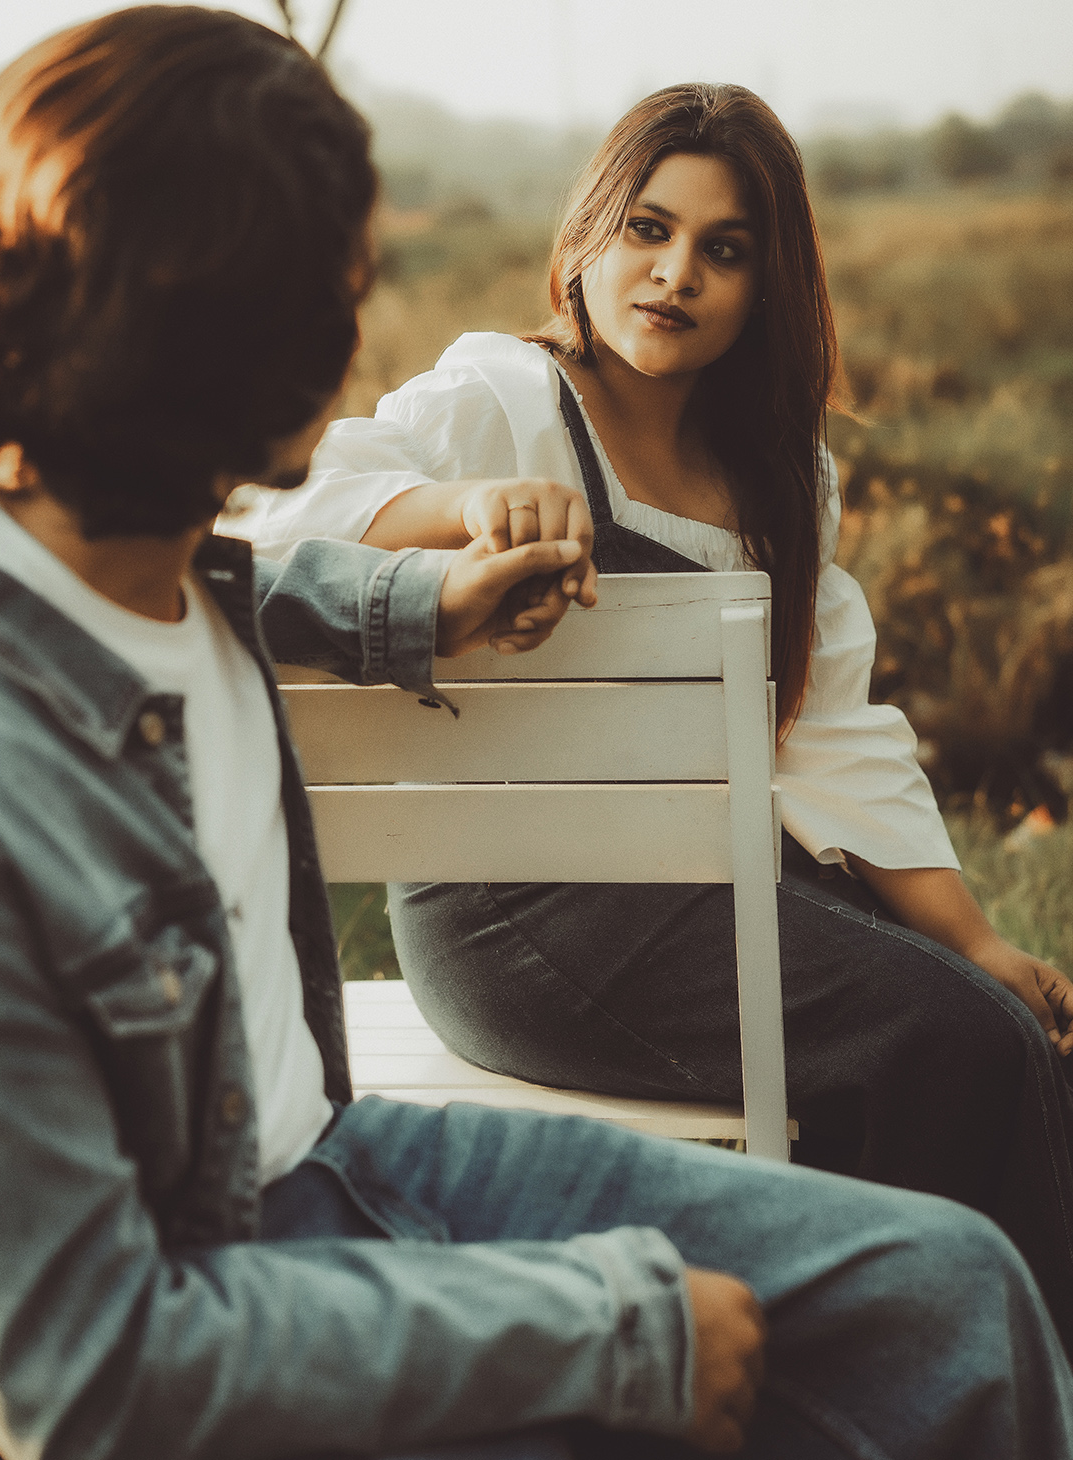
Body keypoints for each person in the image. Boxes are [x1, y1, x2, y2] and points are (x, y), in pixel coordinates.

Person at [0, 13, 1071, 1460]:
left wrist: (427, 599)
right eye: (325, 290)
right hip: (228, 1264)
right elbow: (82, 1374)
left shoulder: (171, 574)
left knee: (958, 1298)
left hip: (331, 1148)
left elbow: (267, 574)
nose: (350, 329)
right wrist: (614, 1333)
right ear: (189, 323)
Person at [233, 83, 1073, 1349]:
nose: (676, 274)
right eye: (648, 228)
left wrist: (974, 937)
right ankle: (934, 1380)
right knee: (956, 1046)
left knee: (1006, 1024)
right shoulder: (506, 397)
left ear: (767, 285)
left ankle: (920, 1364)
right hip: (514, 913)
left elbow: (834, 738)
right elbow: (278, 518)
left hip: (714, 883)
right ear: (587, 235)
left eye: (723, 249)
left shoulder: (781, 478)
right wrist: (467, 509)